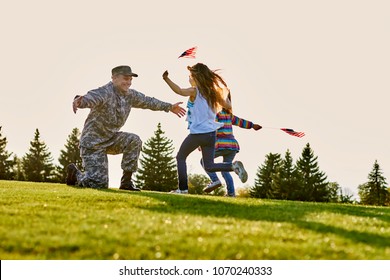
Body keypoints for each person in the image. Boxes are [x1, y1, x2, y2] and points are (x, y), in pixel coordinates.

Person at [66, 65, 186, 191]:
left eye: (130, 80)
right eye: (125, 79)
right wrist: (79, 101)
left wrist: (169, 107)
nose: (128, 83)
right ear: (114, 78)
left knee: (134, 140)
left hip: (111, 139)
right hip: (92, 144)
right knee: (98, 184)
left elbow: (148, 101)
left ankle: (126, 182)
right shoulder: (105, 92)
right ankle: (76, 175)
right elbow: (91, 97)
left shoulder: (130, 95)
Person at [162, 63, 248, 194]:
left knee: (181, 157)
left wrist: (166, 79)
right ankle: (233, 166)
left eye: (190, 76)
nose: (189, 79)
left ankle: (183, 189)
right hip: (211, 135)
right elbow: (228, 104)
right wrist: (222, 93)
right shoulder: (213, 93)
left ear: (195, 77)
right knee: (209, 165)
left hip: (197, 134)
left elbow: (179, 90)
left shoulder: (195, 90)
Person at [201, 92, 262, 197]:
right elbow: (241, 122)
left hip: (220, 144)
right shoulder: (229, 115)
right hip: (232, 146)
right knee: (225, 170)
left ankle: (215, 180)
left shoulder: (215, 114)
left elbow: (211, 128)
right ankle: (231, 193)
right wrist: (252, 125)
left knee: (204, 161)